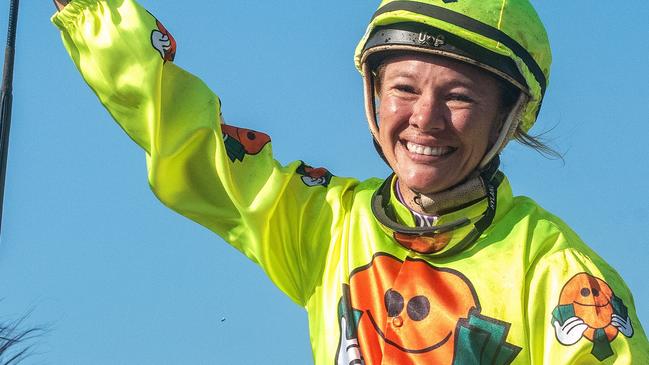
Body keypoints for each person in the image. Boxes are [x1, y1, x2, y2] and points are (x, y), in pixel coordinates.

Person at [52, 0, 649, 363]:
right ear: (373, 96)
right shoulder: (325, 223)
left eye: (459, 97)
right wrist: (94, 17)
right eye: (405, 88)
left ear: (510, 118)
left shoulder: (562, 276)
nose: (424, 119)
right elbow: (190, 141)